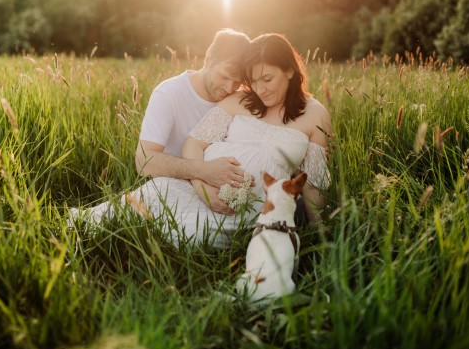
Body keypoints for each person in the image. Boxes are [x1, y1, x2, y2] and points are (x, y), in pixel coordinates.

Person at [76, 33, 332, 247]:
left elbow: (313, 183)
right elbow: (193, 144)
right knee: (138, 203)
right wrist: (203, 185)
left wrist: (320, 234)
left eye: (267, 79)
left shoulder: (315, 114)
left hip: (252, 209)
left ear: (289, 71)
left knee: (194, 235)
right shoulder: (239, 100)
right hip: (196, 188)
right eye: (253, 81)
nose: (260, 89)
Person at [68, 29, 251, 225]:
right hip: (173, 184)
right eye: (224, 76)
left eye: (238, 81)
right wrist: (204, 174)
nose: (230, 87)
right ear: (208, 59)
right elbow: (144, 160)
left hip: (220, 190)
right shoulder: (170, 93)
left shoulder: (237, 100)